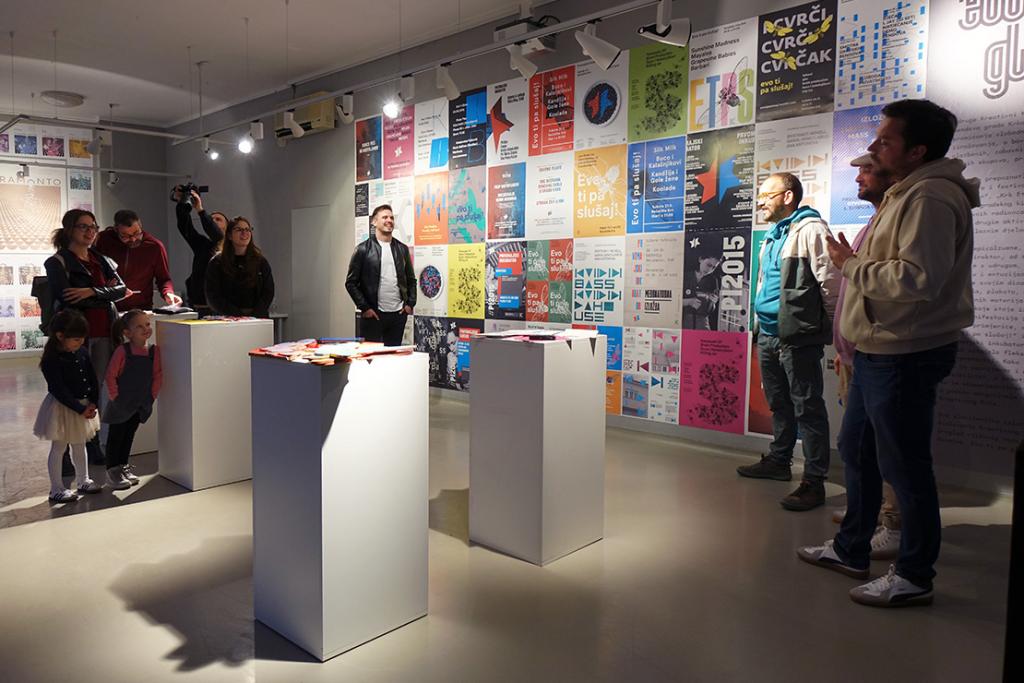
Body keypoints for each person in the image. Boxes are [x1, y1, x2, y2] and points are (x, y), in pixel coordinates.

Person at [798, 99, 978, 608]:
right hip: (880, 349)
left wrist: (849, 264)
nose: (873, 148)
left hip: (905, 352)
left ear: (917, 150)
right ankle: (851, 548)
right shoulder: (908, 193)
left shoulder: (930, 197)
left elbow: (917, 280)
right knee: (857, 450)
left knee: (905, 468)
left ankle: (915, 575)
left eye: (885, 140)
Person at [739, 172, 840, 511]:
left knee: (807, 407)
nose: (760, 202)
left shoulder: (811, 229)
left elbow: (831, 284)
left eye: (766, 196)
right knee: (779, 403)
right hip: (769, 333)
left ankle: (813, 481)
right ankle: (780, 461)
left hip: (797, 336)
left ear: (787, 196)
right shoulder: (773, 234)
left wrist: (833, 330)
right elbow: (765, 284)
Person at [830, 154, 901, 561]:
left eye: (867, 169)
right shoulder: (872, 225)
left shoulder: (899, 220)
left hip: (881, 355)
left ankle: (894, 523)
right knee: (859, 445)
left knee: (888, 448)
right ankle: (868, 512)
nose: (858, 177)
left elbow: (900, 285)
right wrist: (844, 349)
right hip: (858, 354)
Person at [45, 209, 128, 465]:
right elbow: (68, 296)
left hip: (104, 333)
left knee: (94, 389)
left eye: (93, 226)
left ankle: (91, 442)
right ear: (69, 229)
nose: (90, 231)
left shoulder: (101, 259)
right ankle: (64, 452)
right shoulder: (57, 262)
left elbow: (121, 289)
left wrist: (91, 291)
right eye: (83, 226)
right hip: (75, 335)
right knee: (69, 390)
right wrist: (102, 293)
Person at [32, 309, 103, 503]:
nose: (80, 343)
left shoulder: (82, 352)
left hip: (84, 406)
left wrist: (93, 401)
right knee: (59, 447)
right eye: (76, 339)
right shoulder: (52, 359)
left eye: (82, 339)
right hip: (63, 408)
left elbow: (92, 377)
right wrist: (80, 409)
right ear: (60, 336)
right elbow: (58, 389)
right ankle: (56, 488)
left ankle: (83, 480)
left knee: (80, 444)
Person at [102, 310, 162, 490]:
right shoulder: (122, 351)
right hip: (121, 404)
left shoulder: (154, 351)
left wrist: (151, 397)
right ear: (127, 333)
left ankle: (123, 465)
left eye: (147, 324)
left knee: (129, 435)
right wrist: (115, 397)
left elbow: (157, 375)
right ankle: (112, 470)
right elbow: (110, 375)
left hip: (140, 404)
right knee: (116, 437)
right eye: (139, 326)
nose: (145, 329)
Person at [345, 204, 416, 346]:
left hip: (398, 315)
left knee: (393, 355)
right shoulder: (363, 249)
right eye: (384, 217)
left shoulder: (402, 249)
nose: (389, 220)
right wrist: (365, 308)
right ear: (374, 222)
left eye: (391, 217)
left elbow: (411, 280)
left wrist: (410, 304)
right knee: (371, 356)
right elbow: (351, 283)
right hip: (373, 315)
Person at [95, 209, 182, 311]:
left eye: (136, 233)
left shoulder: (154, 247)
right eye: (125, 236)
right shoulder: (103, 240)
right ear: (116, 230)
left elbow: (163, 278)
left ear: (140, 225)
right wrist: (103, 285)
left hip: (141, 308)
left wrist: (168, 293)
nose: (133, 239)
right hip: (108, 306)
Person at [205, 216, 275, 317]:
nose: (244, 233)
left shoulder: (260, 261)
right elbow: (213, 295)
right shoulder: (217, 262)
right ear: (229, 235)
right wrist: (237, 315)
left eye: (247, 229)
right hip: (228, 317)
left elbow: (268, 291)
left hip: (257, 317)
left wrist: (254, 315)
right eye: (239, 230)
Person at [173, 187, 226, 312]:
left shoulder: (232, 247)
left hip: (223, 308)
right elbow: (185, 227)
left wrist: (201, 211)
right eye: (212, 218)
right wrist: (182, 204)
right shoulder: (203, 245)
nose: (213, 221)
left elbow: (217, 235)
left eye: (218, 219)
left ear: (228, 227)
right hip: (200, 307)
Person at [682, 250, 722, 330]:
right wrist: (688, 302)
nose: (709, 270)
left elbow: (711, 310)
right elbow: (671, 302)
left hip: (703, 323)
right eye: (708, 265)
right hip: (683, 321)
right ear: (700, 259)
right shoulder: (684, 276)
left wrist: (713, 303)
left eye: (713, 267)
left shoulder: (713, 281)